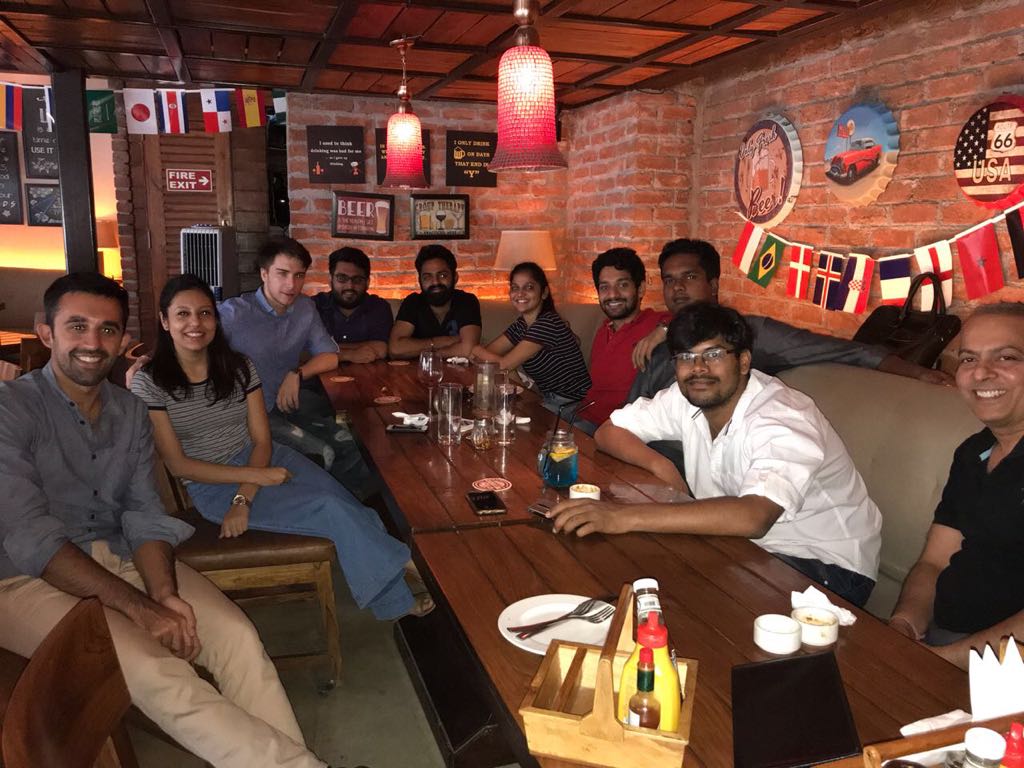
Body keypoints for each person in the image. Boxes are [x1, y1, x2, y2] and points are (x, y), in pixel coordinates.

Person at [0, 273, 328, 768]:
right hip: (22, 579)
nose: (93, 342)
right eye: (77, 326)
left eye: (108, 330)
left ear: (122, 339)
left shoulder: (131, 411)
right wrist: (143, 609)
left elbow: (143, 512)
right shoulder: (11, 409)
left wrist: (164, 593)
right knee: (159, 671)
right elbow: (31, 539)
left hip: (119, 553)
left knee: (237, 637)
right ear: (46, 332)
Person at [131, 274, 433, 621]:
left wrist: (250, 488)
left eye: (204, 313)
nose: (195, 323)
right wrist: (245, 494)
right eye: (182, 314)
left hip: (265, 458)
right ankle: (414, 572)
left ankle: (396, 590)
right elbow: (178, 465)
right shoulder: (150, 382)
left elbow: (262, 439)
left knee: (352, 507)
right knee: (331, 508)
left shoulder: (239, 366)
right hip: (213, 485)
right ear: (165, 320)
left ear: (215, 319)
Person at [549, 303, 882, 607]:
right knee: (628, 568)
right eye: (686, 357)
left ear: (744, 361)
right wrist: (660, 465)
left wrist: (621, 517)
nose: (698, 368)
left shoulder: (781, 417)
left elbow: (754, 516)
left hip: (824, 567)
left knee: (677, 597)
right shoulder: (687, 397)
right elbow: (609, 431)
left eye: (713, 354)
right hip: (743, 546)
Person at [627, 239, 954, 403]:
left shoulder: (751, 333)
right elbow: (631, 410)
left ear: (713, 285)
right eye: (669, 280)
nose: (677, 288)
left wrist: (919, 372)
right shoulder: (659, 343)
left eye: (689, 277)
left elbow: (844, 350)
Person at [889, 303, 1024, 669]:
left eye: (1006, 357)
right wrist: (903, 625)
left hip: (1000, 668)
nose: (981, 372)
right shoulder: (974, 451)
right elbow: (934, 561)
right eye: (968, 359)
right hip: (945, 641)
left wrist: (941, 662)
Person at [219, 237, 374, 499]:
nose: (291, 284)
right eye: (282, 274)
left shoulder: (304, 308)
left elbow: (330, 356)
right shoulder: (233, 314)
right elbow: (189, 340)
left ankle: (347, 503)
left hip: (287, 405)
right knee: (322, 453)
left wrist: (297, 374)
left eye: (299, 275)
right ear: (264, 274)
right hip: (247, 417)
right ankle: (315, 506)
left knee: (357, 440)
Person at [471, 261, 591, 410]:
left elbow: (503, 364)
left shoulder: (547, 323)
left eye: (529, 287)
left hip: (573, 404)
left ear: (544, 293)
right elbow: (491, 356)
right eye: (515, 288)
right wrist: (484, 355)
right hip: (548, 397)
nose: (520, 293)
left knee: (500, 413)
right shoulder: (522, 325)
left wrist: (475, 348)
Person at [577, 247, 672, 432]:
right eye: (604, 287)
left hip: (616, 430)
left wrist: (664, 329)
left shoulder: (655, 322)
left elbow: (693, 317)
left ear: (641, 289)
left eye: (622, 285)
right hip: (582, 417)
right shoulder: (604, 329)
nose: (613, 294)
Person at [388, 244, 481, 359]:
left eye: (442, 275)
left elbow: (468, 349)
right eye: (427, 277)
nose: (435, 282)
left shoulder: (466, 301)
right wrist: (443, 342)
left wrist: (426, 353)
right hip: (419, 371)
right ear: (419, 280)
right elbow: (395, 349)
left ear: (455, 277)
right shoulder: (413, 302)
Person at [313, 246, 393, 363]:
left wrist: (324, 349)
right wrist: (349, 355)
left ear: (367, 282)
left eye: (357, 280)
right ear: (330, 280)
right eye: (342, 278)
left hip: (368, 373)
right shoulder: (314, 306)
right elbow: (302, 351)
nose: (349, 286)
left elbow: (381, 349)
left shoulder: (379, 307)